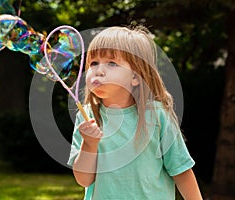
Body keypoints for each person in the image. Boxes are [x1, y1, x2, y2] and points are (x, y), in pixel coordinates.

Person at [67, 25, 203, 200]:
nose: (98, 71)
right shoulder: (87, 116)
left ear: (135, 77)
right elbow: (84, 180)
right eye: (93, 63)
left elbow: (181, 170)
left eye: (112, 63)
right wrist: (89, 144)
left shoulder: (157, 115)